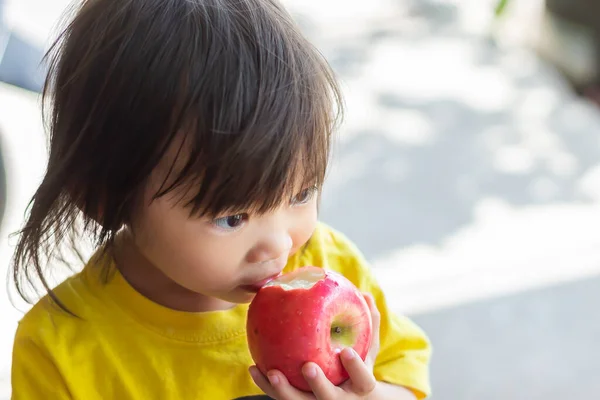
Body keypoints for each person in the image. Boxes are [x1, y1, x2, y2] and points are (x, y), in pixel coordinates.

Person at [10, 0, 431, 399]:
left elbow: (405, 373)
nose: (281, 245)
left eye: (300, 194)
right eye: (232, 217)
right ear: (105, 197)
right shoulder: (61, 351)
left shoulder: (331, 264)